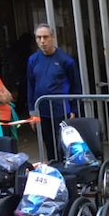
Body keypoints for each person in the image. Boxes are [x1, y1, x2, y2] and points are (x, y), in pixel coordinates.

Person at [27, 23, 82, 161]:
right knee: (49, 145)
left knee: (64, 144)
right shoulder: (33, 60)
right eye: (39, 37)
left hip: (61, 111)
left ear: (53, 37)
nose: (42, 41)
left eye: (45, 37)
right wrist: (32, 111)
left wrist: (74, 109)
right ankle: (53, 169)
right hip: (42, 111)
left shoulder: (66, 60)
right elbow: (30, 86)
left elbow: (76, 87)